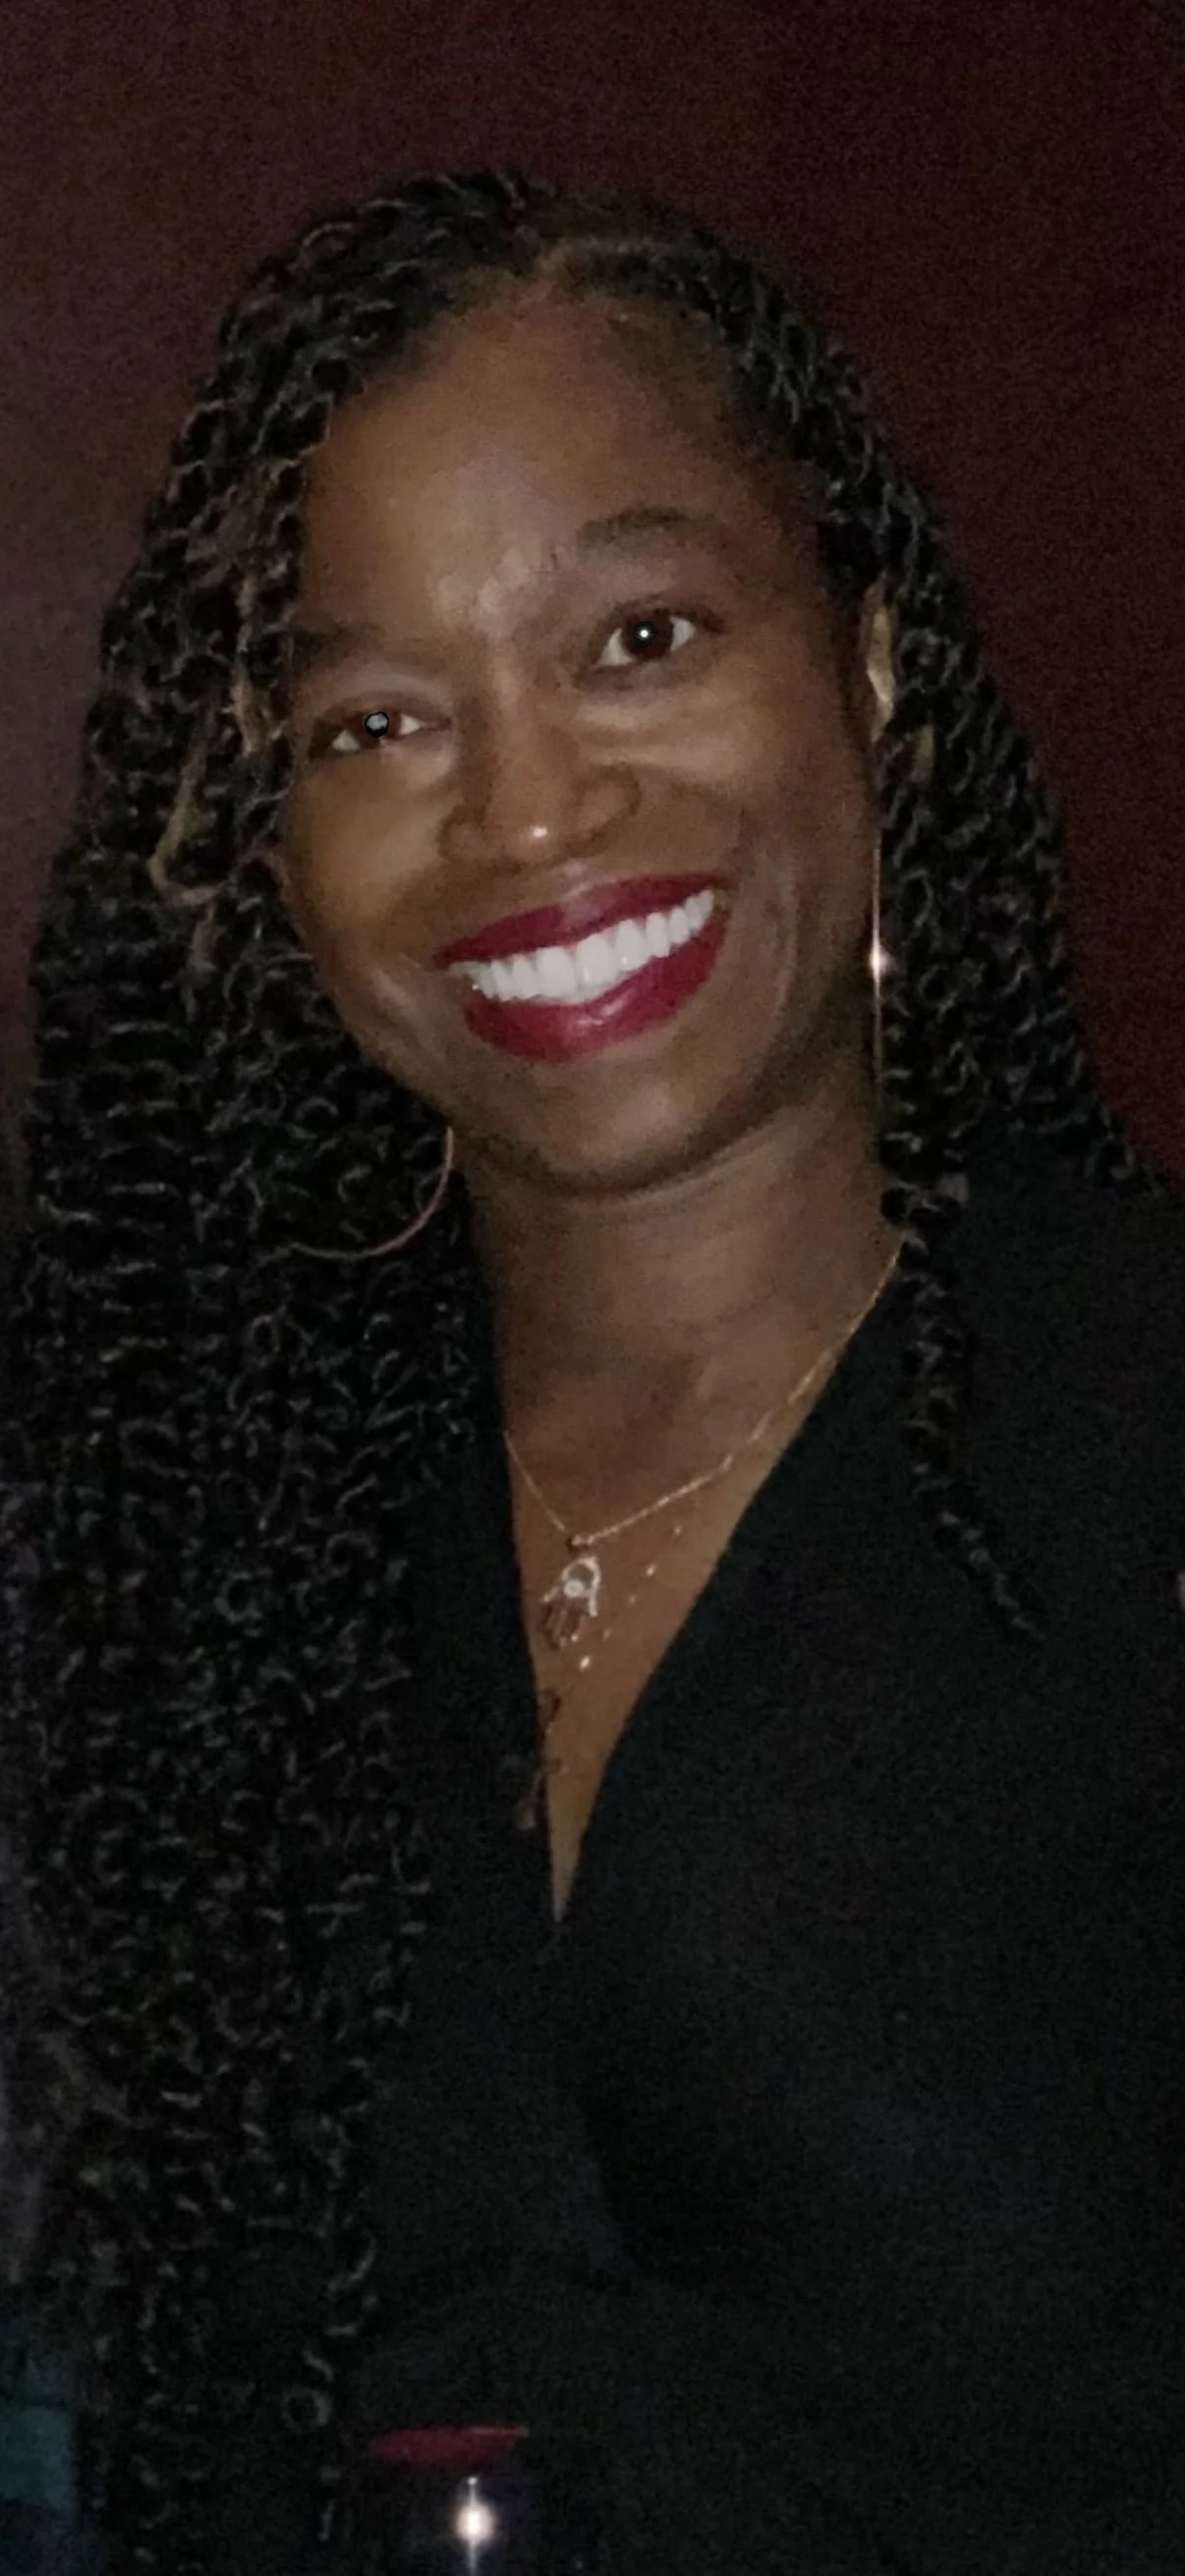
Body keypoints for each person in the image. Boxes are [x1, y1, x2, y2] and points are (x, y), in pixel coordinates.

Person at [3, 169, 1183, 2575]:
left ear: (865, 676)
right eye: (377, 720)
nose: (527, 807)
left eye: (641, 638)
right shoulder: (186, 1544)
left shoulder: (1132, 1440)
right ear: (272, 847)